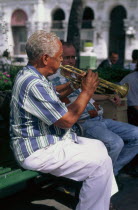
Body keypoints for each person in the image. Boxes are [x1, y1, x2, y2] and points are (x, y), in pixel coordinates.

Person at [10, 30, 118, 210]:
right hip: (37, 150)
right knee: (100, 164)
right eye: (60, 56)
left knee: (100, 147)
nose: (62, 60)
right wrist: (87, 91)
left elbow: (55, 95)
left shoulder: (33, 75)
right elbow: (67, 120)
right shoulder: (33, 83)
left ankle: (102, 200)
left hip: (50, 140)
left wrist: (74, 84)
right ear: (45, 58)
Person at [49, 42, 138, 177]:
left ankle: (111, 173)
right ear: (57, 57)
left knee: (136, 134)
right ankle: (104, 177)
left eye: (73, 57)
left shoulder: (73, 76)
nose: (71, 61)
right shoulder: (53, 79)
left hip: (99, 119)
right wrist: (75, 86)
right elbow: (58, 98)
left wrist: (108, 96)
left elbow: (87, 93)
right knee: (116, 143)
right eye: (67, 57)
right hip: (83, 123)